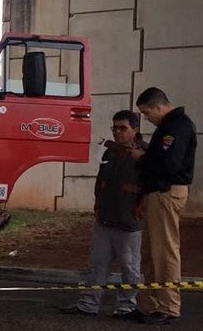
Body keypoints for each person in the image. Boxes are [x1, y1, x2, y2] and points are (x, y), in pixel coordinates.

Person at [59, 110, 146, 317]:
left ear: (136, 129)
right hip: (105, 219)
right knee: (97, 264)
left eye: (123, 128)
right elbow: (101, 183)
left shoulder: (145, 156)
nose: (117, 132)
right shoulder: (110, 152)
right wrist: (98, 207)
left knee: (130, 268)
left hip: (129, 222)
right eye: (114, 128)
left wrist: (137, 212)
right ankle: (88, 304)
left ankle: (127, 307)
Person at [129, 87, 196, 326]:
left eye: (147, 113)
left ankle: (168, 306)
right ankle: (149, 305)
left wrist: (143, 159)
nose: (147, 118)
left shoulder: (176, 126)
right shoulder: (167, 127)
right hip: (156, 191)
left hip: (167, 191)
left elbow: (169, 164)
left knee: (165, 251)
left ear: (158, 106)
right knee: (150, 252)